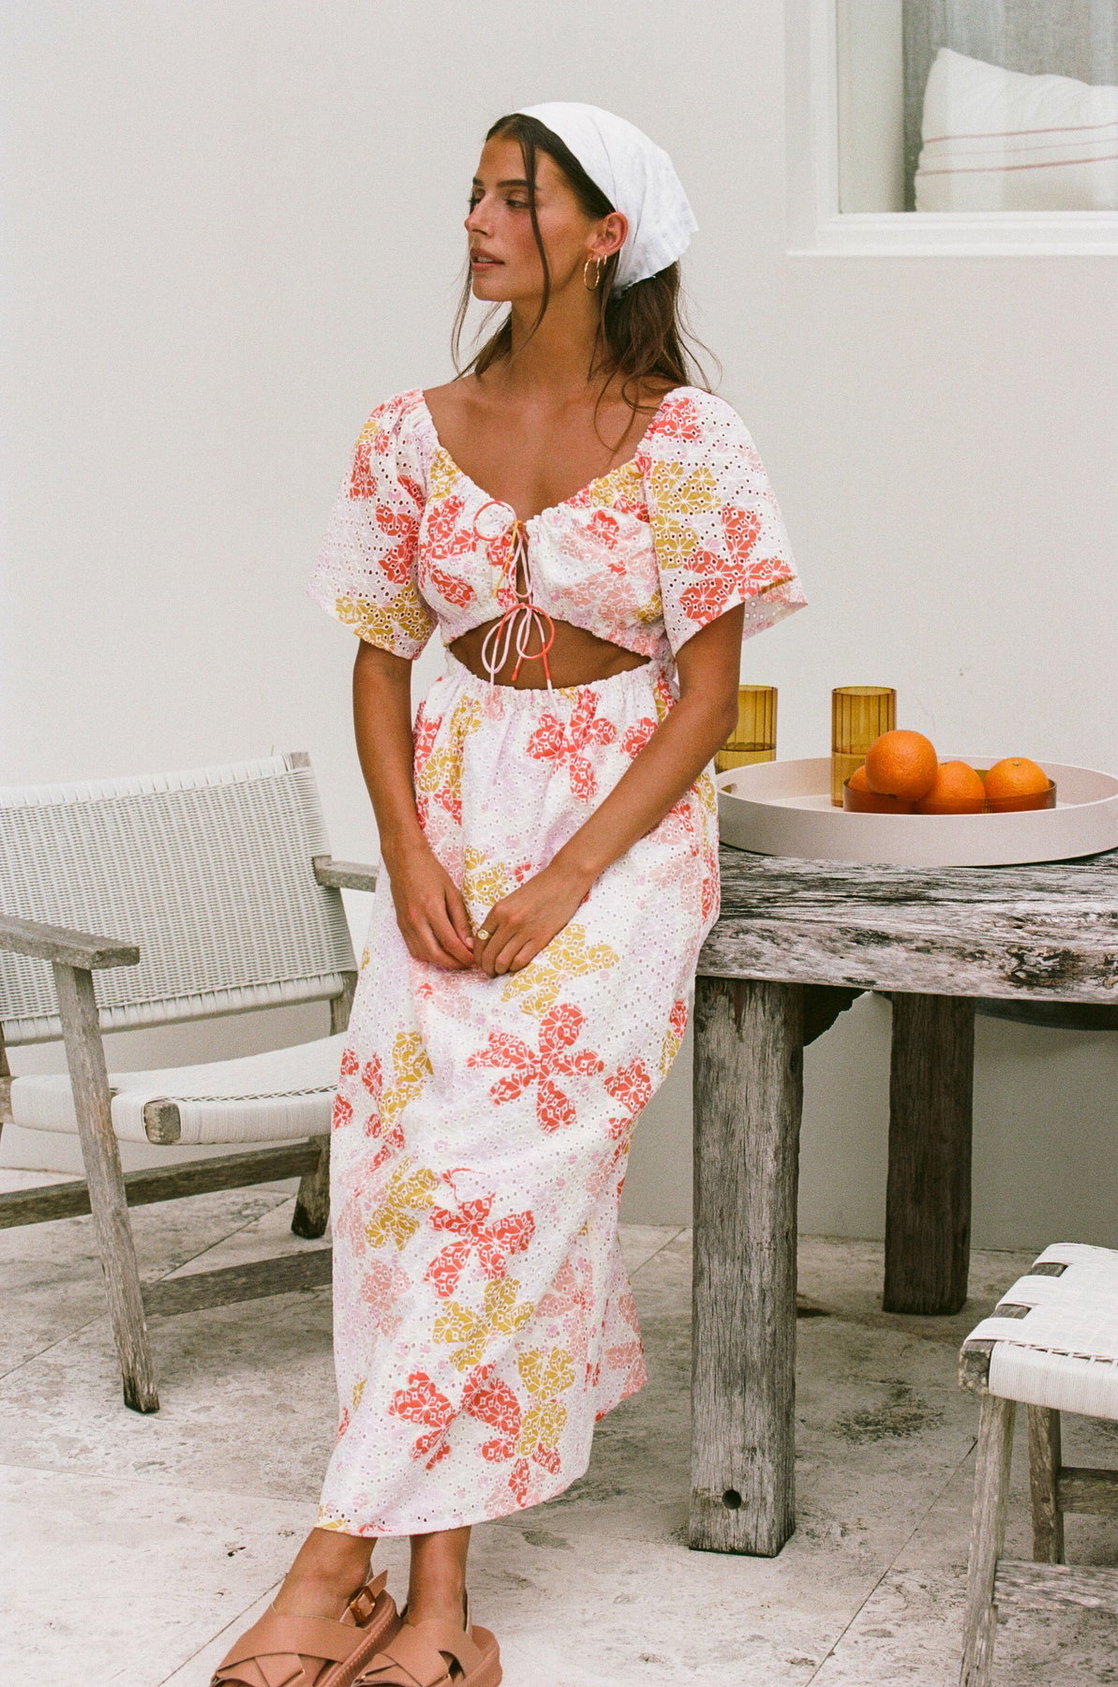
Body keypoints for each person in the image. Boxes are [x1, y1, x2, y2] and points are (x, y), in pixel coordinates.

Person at [210, 100, 807, 1687]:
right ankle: (436, 1609)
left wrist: (570, 876)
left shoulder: (691, 443)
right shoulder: (406, 432)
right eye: (472, 192)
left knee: (513, 1181)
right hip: (451, 804)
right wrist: (407, 848)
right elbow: (378, 658)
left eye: (514, 197)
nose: (477, 222)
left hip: (618, 838)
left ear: (605, 235)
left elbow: (703, 702)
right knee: (409, 1178)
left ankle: (329, 1560)